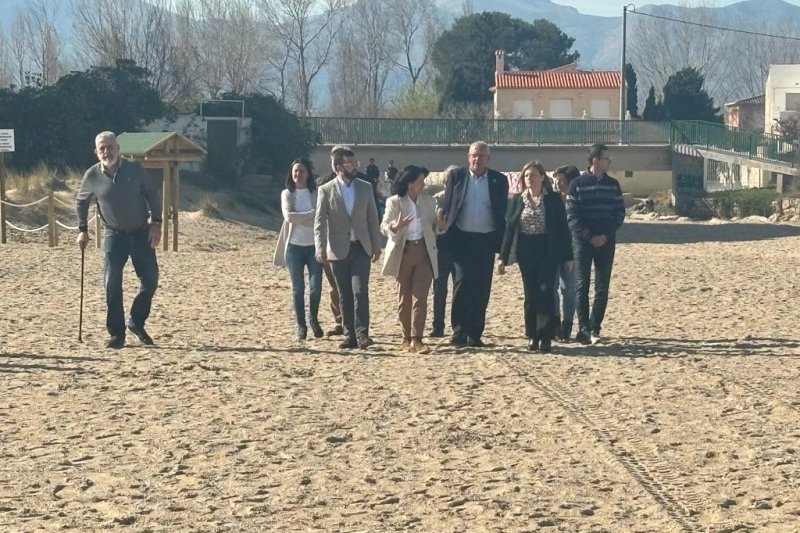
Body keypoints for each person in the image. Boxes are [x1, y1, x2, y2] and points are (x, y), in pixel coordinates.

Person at [75, 131, 162, 349]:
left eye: (110, 147)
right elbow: (81, 202)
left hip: (141, 233)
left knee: (150, 280)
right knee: (111, 284)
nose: (106, 151)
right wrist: (83, 229)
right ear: (96, 151)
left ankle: (136, 321)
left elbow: (152, 195)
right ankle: (116, 334)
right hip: (114, 236)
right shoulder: (92, 176)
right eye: (102, 148)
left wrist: (156, 223)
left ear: (118, 148)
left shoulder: (135, 169)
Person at [496, 161, 572, 352]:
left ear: (542, 177)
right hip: (526, 249)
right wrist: (502, 257)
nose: (530, 179)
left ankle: (545, 335)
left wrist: (568, 256)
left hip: (548, 249)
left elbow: (563, 229)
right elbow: (510, 229)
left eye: (533, 175)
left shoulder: (553, 199)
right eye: (527, 175)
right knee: (531, 295)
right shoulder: (517, 200)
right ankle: (532, 335)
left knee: (546, 291)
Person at [439, 141, 509, 348]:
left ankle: (475, 332)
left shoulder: (499, 180)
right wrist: (442, 218)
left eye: (481, 155)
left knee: (481, 287)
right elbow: (448, 203)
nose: (477, 159)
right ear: (468, 157)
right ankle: (459, 330)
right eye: (473, 155)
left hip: (486, 240)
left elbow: (501, 211)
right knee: (462, 284)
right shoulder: (457, 176)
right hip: (461, 238)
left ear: (489, 158)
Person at [314, 147, 382, 350]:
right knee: (344, 293)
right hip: (337, 248)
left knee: (360, 291)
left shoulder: (365, 187)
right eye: (350, 164)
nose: (355, 167)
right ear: (338, 167)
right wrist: (320, 248)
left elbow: (372, 218)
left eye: (355, 163)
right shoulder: (325, 190)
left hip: (361, 247)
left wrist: (377, 245)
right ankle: (349, 334)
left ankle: (363, 335)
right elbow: (319, 222)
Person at [380, 165, 444, 353]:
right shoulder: (395, 202)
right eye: (420, 181)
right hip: (403, 252)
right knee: (404, 297)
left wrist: (439, 225)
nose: (423, 184)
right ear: (410, 184)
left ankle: (418, 338)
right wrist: (395, 226)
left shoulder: (429, 201)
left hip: (424, 252)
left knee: (420, 297)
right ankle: (406, 336)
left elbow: (434, 227)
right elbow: (383, 226)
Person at [566, 143, 625, 345]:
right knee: (582, 285)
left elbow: (619, 213)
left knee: (602, 286)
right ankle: (583, 328)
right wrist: (590, 236)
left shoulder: (613, 184)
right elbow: (572, 217)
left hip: (606, 241)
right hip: (582, 241)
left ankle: (595, 327)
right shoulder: (577, 184)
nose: (609, 162)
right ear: (595, 160)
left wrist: (605, 235)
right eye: (606, 158)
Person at [273, 158, 323, 340]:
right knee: (298, 288)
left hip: (314, 247)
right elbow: (289, 216)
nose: (298, 174)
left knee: (316, 287)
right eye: (295, 171)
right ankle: (300, 325)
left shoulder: (315, 193)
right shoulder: (287, 194)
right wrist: (310, 215)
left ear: (308, 173)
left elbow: (321, 216)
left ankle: (314, 319)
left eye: (301, 171)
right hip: (294, 246)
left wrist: (304, 216)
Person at [552, 165, 581, 341]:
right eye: (556, 180)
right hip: (553, 249)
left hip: (572, 248)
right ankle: (555, 323)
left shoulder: (577, 200)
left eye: (561, 181)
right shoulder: (552, 200)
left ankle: (567, 323)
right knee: (552, 287)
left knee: (568, 288)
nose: (558, 184)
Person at [430, 165, 458, 338]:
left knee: (459, 289)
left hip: (460, 249)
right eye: (449, 180)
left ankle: (458, 325)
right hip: (440, 248)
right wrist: (439, 228)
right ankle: (438, 325)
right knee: (439, 290)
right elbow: (430, 226)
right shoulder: (436, 200)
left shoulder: (464, 199)